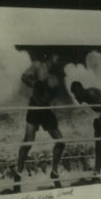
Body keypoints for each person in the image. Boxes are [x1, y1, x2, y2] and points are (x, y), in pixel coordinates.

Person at [14, 54, 66, 190]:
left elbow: (54, 98)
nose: (59, 60)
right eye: (57, 58)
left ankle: (54, 172)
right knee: (28, 141)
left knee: (61, 141)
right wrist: (34, 84)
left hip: (47, 110)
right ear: (51, 57)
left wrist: (53, 107)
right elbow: (24, 77)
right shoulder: (37, 66)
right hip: (35, 108)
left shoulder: (56, 77)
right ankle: (17, 173)